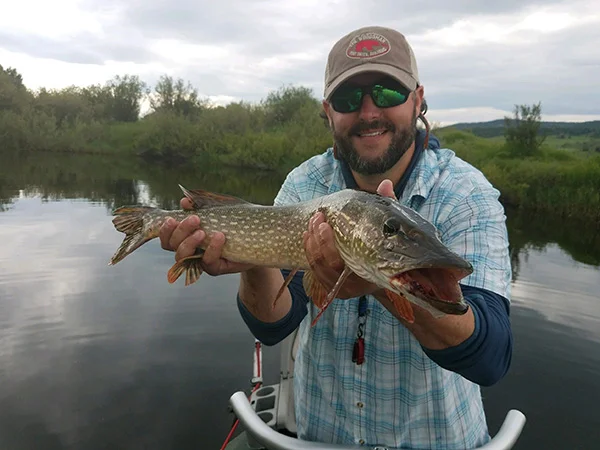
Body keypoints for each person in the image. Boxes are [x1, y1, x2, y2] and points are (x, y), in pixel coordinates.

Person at [160, 25, 513, 449]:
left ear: (418, 100)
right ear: (329, 111)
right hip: (320, 437)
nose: (368, 113)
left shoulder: (466, 194)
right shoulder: (305, 183)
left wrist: (380, 283)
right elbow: (277, 325)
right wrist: (252, 262)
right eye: (349, 99)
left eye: (386, 93)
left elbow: (491, 356)